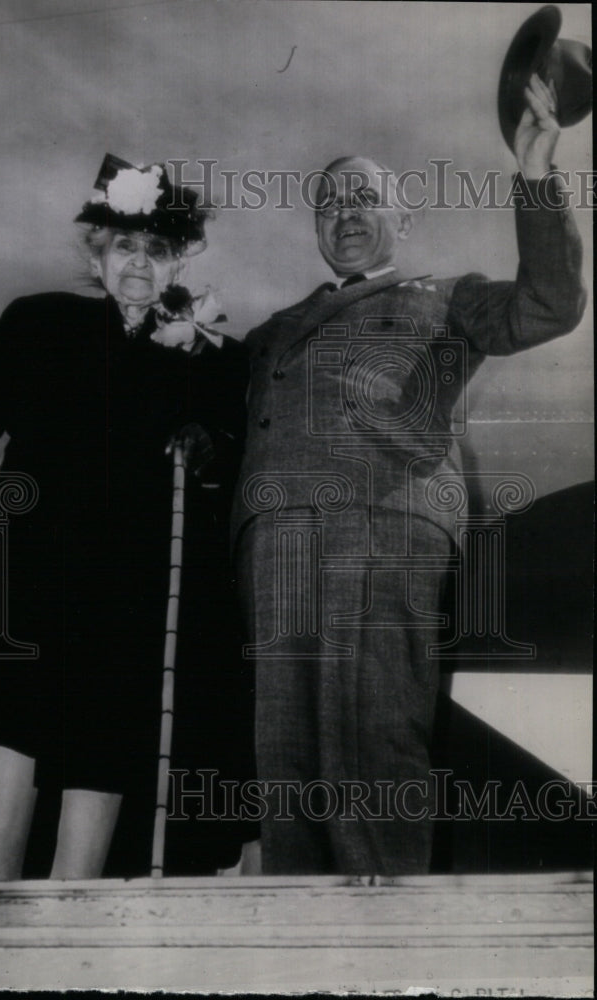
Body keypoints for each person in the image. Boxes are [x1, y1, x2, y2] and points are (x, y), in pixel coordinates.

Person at [231, 75, 586, 875]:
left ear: (404, 216)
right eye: (329, 202)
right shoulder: (268, 331)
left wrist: (534, 173)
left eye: (364, 197)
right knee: (285, 759)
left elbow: (549, 304)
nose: (345, 213)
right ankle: (300, 948)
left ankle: (385, 948)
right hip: (276, 539)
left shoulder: (446, 296)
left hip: (381, 520)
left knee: (374, 734)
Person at [0, 156, 253, 879]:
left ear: (181, 257)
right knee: (17, 717)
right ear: (98, 252)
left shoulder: (212, 358)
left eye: (156, 248)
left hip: (132, 592)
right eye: (125, 246)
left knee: (106, 732)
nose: (139, 263)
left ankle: (70, 906)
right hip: (35, 569)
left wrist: (210, 439)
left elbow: (235, 452)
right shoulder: (40, 322)